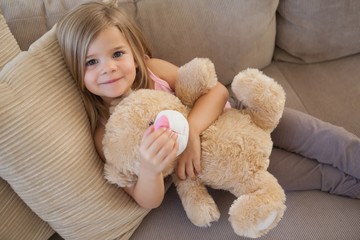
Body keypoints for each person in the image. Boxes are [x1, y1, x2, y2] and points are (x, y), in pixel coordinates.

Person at [56, 1, 359, 209]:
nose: (108, 68)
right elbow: (145, 199)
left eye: (117, 54)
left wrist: (190, 131)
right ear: (76, 73)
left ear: (133, 52)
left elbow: (216, 92)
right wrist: (149, 169)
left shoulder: (154, 71)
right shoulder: (105, 133)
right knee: (320, 176)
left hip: (244, 117)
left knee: (327, 139)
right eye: (91, 62)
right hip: (228, 164)